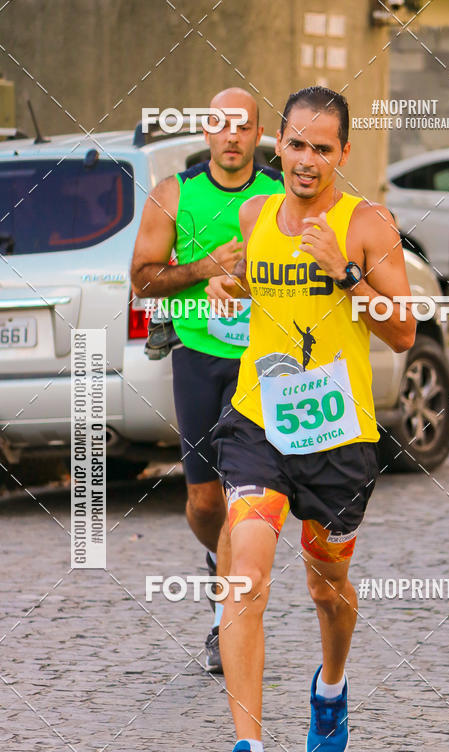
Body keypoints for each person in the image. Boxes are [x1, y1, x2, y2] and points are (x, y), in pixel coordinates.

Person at [206, 86, 416, 752]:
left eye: (323, 148)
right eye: (296, 144)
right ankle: (249, 751)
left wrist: (346, 273)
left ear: (343, 154)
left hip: (337, 437)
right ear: (280, 146)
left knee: (327, 590)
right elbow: (247, 283)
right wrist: (227, 289)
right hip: (258, 422)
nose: (306, 159)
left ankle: (331, 684)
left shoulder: (367, 223)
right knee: (246, 576)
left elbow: (404, 331)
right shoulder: (254, 212)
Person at [130, 88, 284, 671]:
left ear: (256, 133)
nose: (231, 136)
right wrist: (207, 268)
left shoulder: (277, 195)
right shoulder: (176, 194)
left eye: (242, 125)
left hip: (260, 359)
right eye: (220, 124)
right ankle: (221, 565)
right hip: (197, 354)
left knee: (243, 491)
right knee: (202, 501)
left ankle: (225, 621)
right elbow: (143, 279)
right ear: (206, 133)